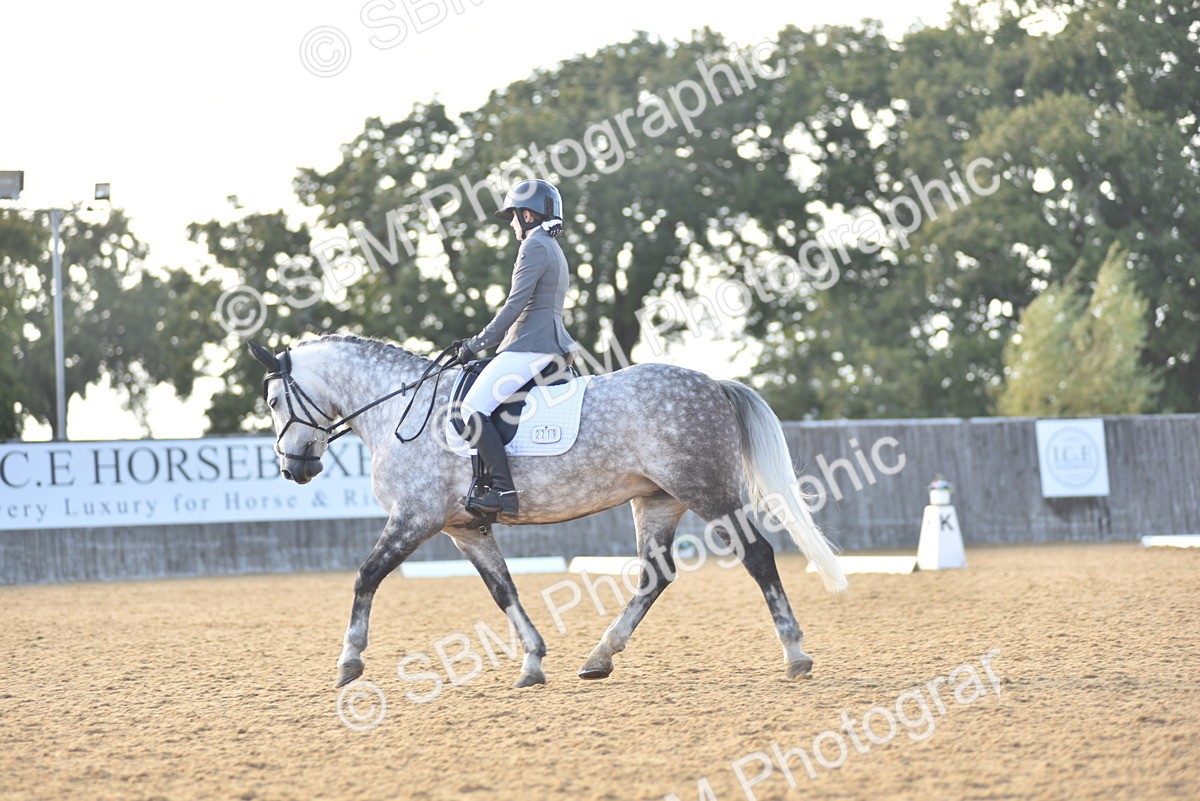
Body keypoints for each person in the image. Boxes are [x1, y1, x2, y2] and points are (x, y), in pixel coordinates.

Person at [452, 179, 576, 515]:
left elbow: (514, 305)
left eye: (513, 217)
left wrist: (477, 344)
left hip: (530, 345)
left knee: (470, 409)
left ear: (528, 214)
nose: (510, 224)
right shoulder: (552, 247)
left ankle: (504, 492)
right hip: (550, 343)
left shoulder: (534, 245)